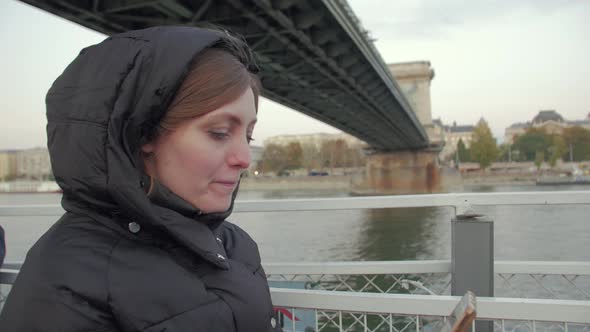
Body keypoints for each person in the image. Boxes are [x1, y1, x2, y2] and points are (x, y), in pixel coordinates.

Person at [0, 26, 281, 332]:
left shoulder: (234, 244)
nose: (244, 158)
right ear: (144, 132)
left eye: (249, 136)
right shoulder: (68, 285)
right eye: (220, 133)